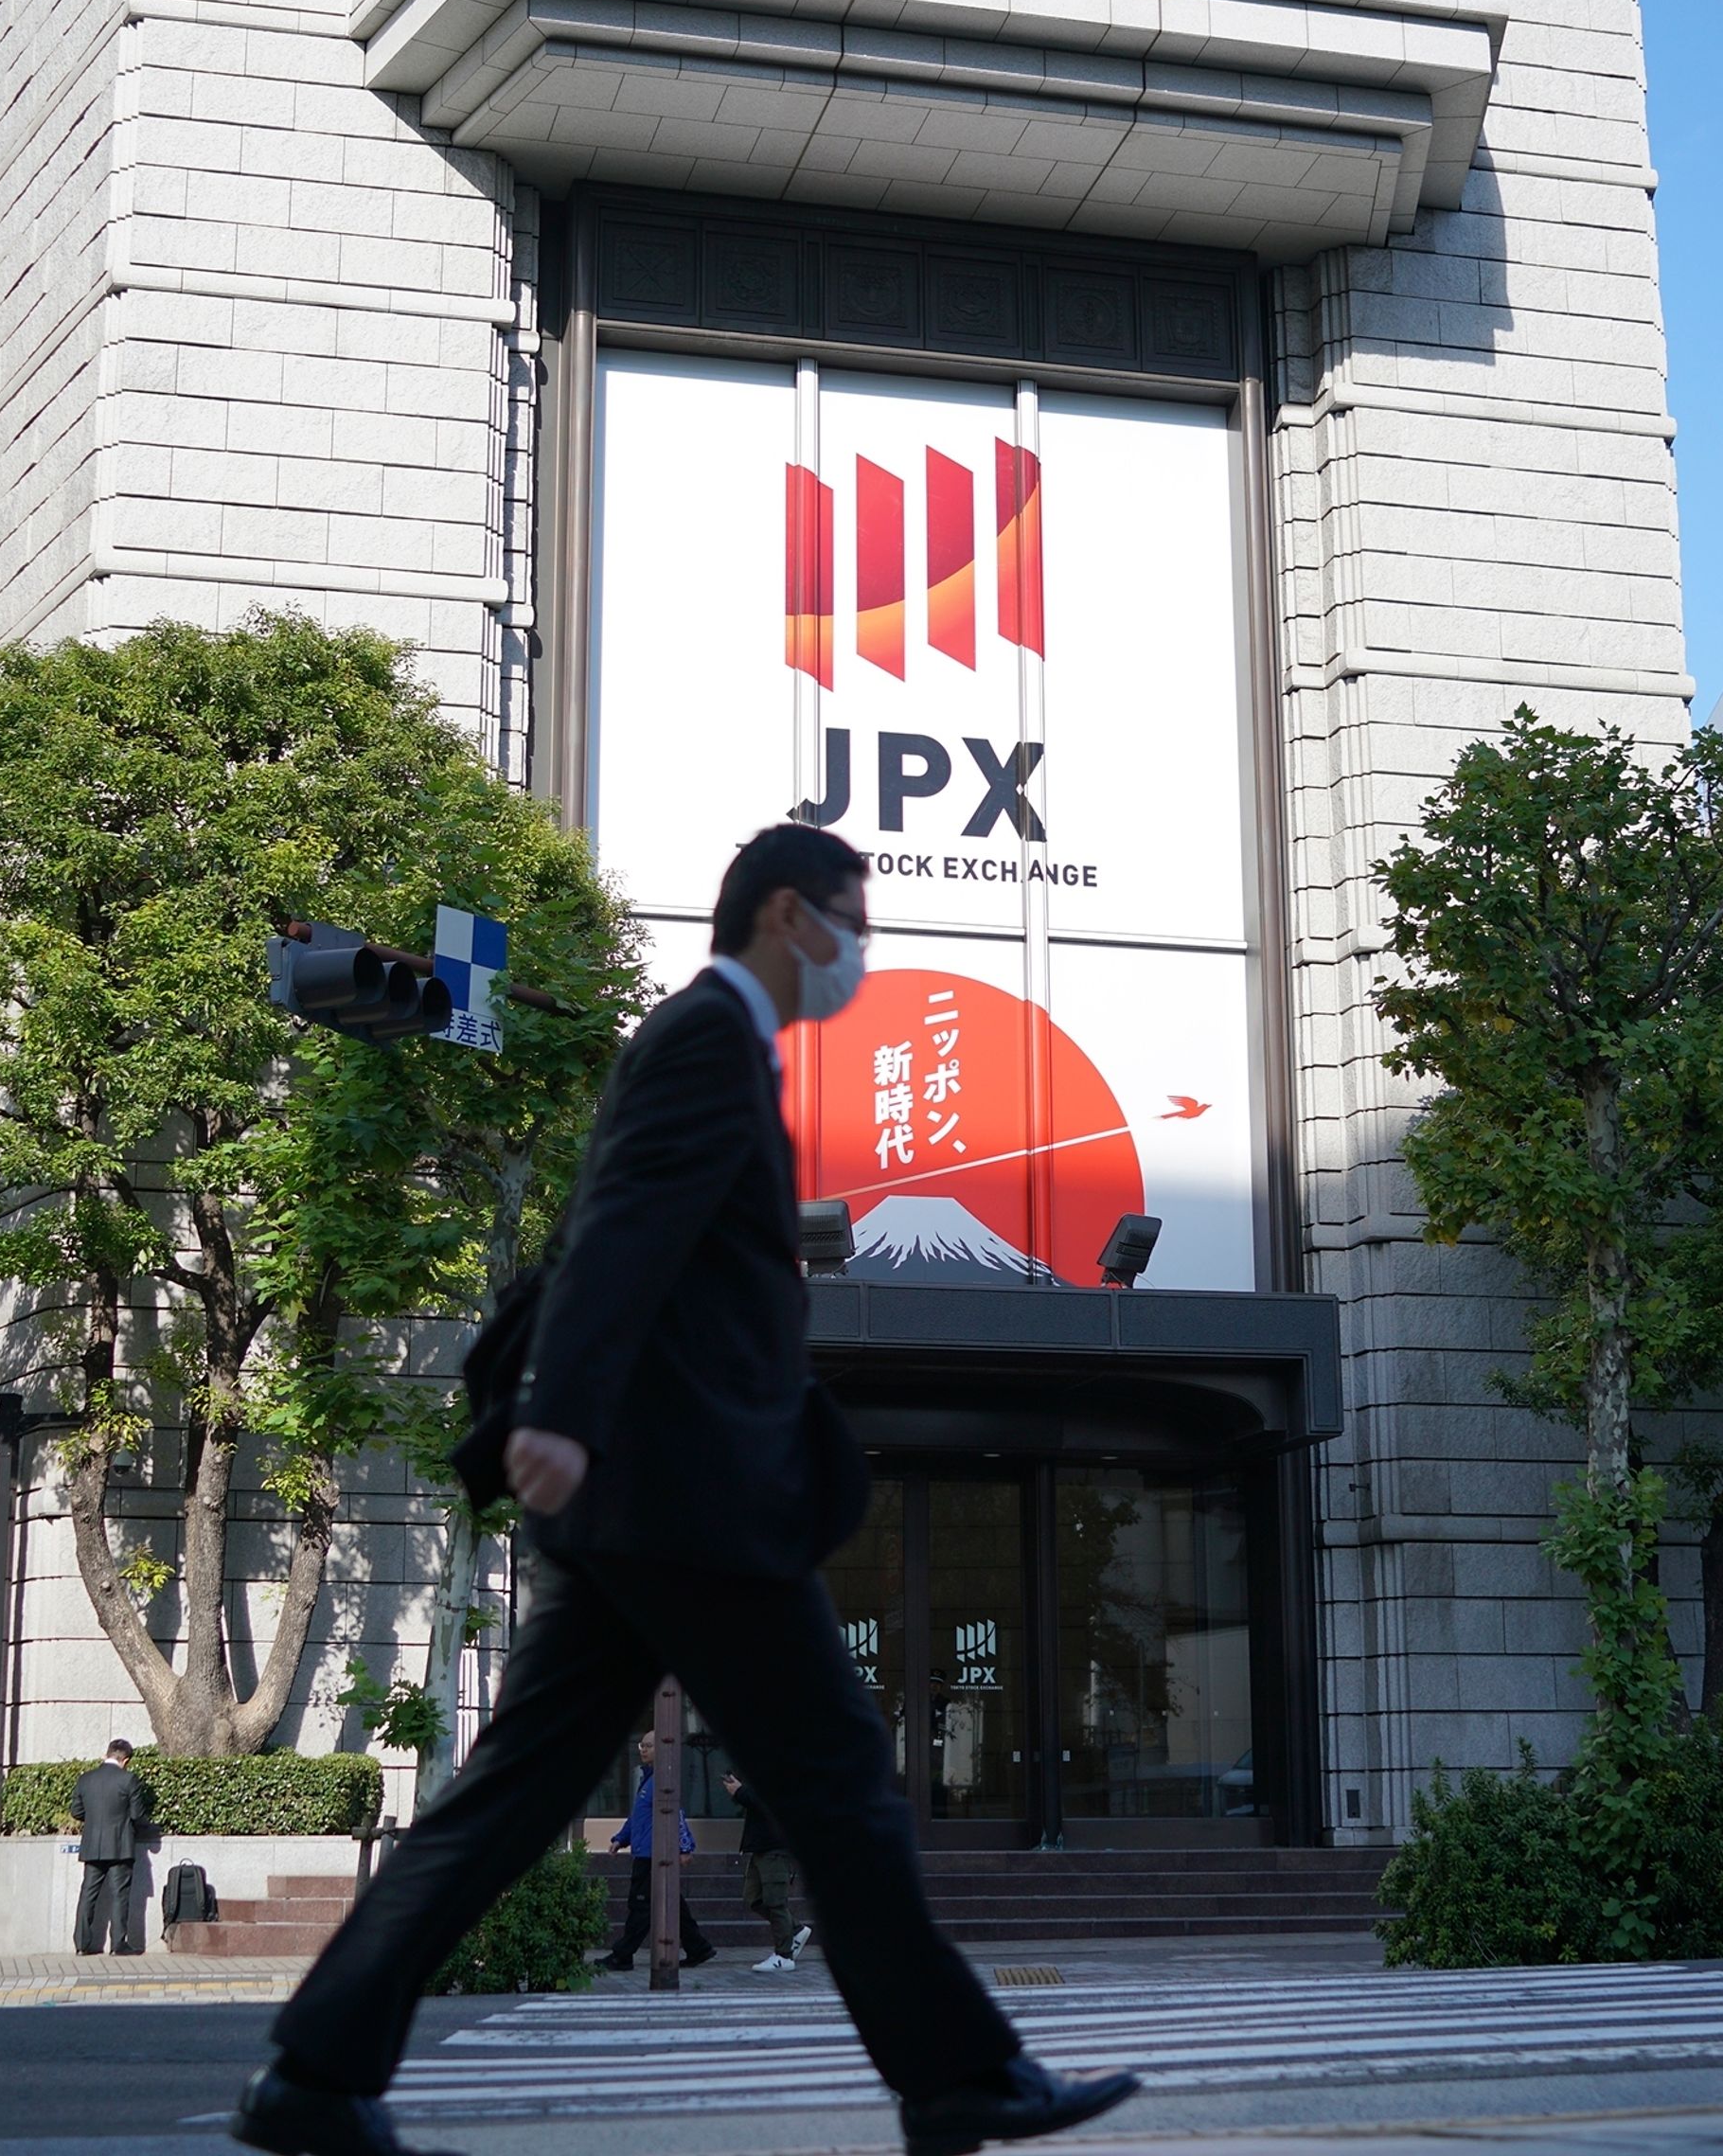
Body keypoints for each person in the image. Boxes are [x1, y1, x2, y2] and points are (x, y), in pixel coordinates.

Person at [236, 825, 1136, 2156]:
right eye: (851, 915)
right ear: (787, 914)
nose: (860, 948)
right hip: (690, 1505)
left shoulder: (717, 1044)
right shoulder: (706, 1037)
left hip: (652, 1505)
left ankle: (315, 2071)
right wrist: (560, 1418)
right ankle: (961, 2078)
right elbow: (621, 1232)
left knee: (515, 1798)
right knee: (840, 1787)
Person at [601, 1729, 716, 1970]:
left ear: (662, 1748)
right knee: (673, 1904)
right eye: (641, 1745)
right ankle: (699, 1948)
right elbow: (638, 1817)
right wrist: (621, 1839)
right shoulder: (649, 1779)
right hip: (647, 1853)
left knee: (641, 1907)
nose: (642, 1749)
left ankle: (622, 1955)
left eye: (648, 1746)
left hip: (653, 1856)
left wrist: (685, 1847)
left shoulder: (662, 1779)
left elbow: (678, 1816)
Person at [727, 1768, 810, 1971]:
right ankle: (796, 1929)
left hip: (774, 1846)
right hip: (760, 1846)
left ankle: (784, 1956)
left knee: (775, 1902)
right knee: (754, 1898)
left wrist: (740, 1792)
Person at [73, 1738, 145, 1956]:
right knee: (119, 1895)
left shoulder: (86, 1779)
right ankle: (117, 1945)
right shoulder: (128, 1779)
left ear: (107, 1754)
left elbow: (76, 1811)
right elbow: (137, 1814)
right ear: (126, 1760)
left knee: (88, 1894)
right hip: (120, 1846)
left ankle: (82, 1945)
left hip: (92, 1845)